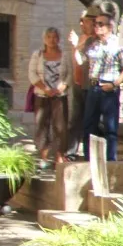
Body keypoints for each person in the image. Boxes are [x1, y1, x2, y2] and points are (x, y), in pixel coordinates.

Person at [80, 12, 123, 160]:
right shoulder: (93, 43)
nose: (97, 27)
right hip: (93, 87)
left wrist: (114, 84)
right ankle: (89, 159)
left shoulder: (119, 43)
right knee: (88, 125)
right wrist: (79, 44)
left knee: (110, 127)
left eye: (101, 24)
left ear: (110, 26)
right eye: (95, 24)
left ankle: (111, 161)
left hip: (109, 88)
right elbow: (81, 59)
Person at [27, 27, 70, 167]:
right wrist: (45, 89)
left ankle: (59, 155)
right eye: (49, 37)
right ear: (44, 39)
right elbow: (32, 74)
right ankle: (43, 157)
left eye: (55, 37)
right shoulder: (37, 55)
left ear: (59, 38)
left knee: (60, 126)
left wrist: (63, 86)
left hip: (59, 95)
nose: (52, 40)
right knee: (41, 125)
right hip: (42, 94)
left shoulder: (64, 55)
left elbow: (70, 74)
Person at [66, 9, 99, 159]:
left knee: (89, 120)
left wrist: (75, 46)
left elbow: (84, 58)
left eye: (84, 20)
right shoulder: (81, 38)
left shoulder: (94, 40)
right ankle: (71, 152)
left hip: (90, 85)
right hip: (78, 83)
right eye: (81, 20)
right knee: (75, 119)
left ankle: (89, 154)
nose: (81, 23)